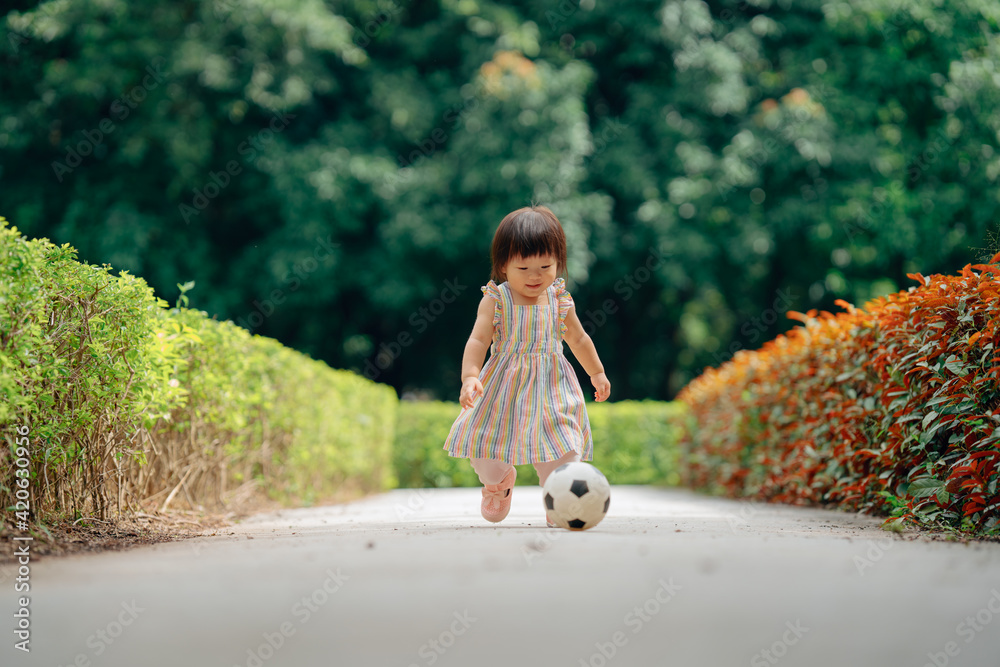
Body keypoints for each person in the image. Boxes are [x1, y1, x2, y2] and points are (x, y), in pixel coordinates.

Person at [442, 204, 611, 525]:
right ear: (503, 266)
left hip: (552, 388)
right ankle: (497, 483)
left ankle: (558, 499)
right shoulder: (496, 299)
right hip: (501, 388)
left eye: (545, 266)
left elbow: (579, 339)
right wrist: (469, 377)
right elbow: (477, 341)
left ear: (559, 263)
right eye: (523, 268)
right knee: (485, 452)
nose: (535, 276)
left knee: (563, 452)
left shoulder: (560, 299)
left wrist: (597, 372)